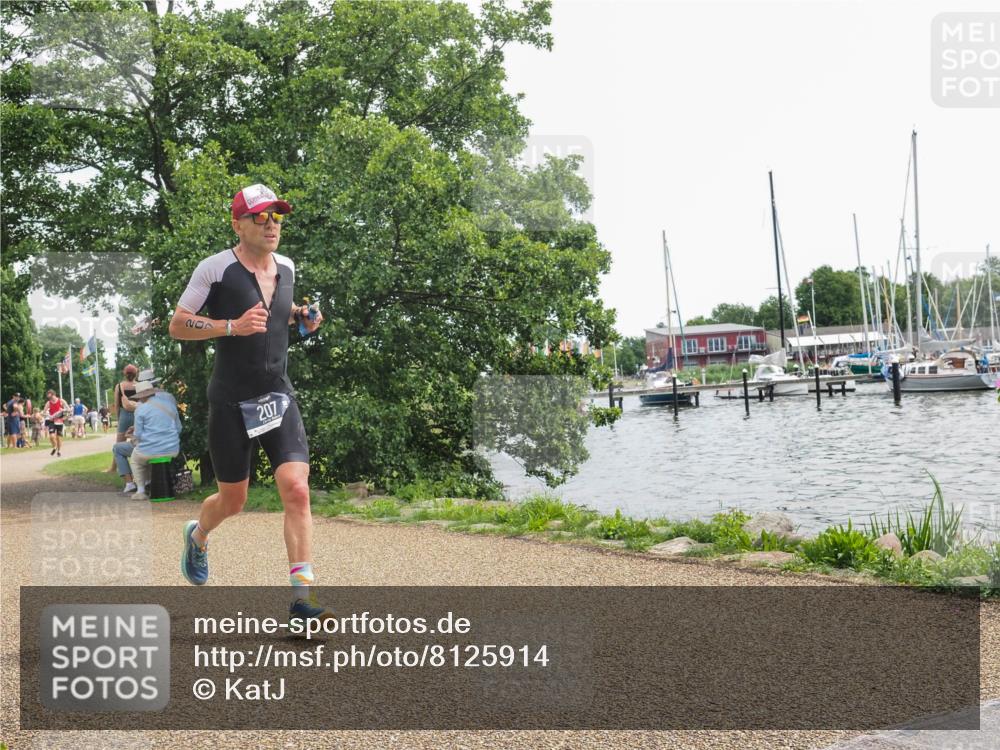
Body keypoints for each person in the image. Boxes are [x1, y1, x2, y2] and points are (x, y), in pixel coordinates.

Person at [168, 183, 326, 626]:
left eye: (277, 216)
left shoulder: (287, 267)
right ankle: (198, 536)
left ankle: (302, 599)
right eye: (261, 217)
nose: (271, 224)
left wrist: (301, 316)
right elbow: (178, 325)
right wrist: (230, 327)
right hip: (232, 401)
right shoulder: (215, 269)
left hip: (278, 394)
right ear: (238, 223)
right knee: (233, 500)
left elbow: (277, 307)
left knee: (296, 487)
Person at [119, 380, 182, 501]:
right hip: (173, 449)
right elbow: (179, 428)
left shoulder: (141, 409)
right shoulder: (170, 405)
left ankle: (141, 491)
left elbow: (138, 434)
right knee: (144, 452)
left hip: (150, 450)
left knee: (135, 460)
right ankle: (153, 484)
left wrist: (131, 437)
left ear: (141, 396)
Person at [108, 364, 139, 471]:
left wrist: (118, 418)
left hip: (124, 415)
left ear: (124, 374)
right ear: (136, 374)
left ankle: (113, 468)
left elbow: (117, 405)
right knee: (138, 442)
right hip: (137, 415)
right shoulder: (139, 385)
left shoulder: (120, 386)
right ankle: (138, 467)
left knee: (119, 443)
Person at [44, 390, 68, 456]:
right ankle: (55, 446)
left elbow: (68, 410)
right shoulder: (48, 403)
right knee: (51, 436)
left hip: (60, 422)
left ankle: (59, 451)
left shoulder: (61, 401)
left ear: (53, 394)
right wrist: (48, 416)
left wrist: (65, 416)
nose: (48, 396)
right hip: (52, 421)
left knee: (58, 438)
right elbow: (44, 412)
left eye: (49, 394)